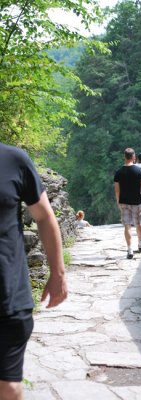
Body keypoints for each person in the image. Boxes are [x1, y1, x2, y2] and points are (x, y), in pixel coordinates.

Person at [0, 143, 68, 400]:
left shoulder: (13, 160)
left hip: (9, 295)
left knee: (8, 387)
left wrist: (58, 273)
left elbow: (44, 216)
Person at [114, 148, 141, 259]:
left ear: (124, 157)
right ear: (134, 157)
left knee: (127, 225)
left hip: (124, 201)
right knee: (138, 223)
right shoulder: (139, 171)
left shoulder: (119, 172)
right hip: (137, 201)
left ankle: (129, 249)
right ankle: (140, 243)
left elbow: (117, 190)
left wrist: (118, 202)